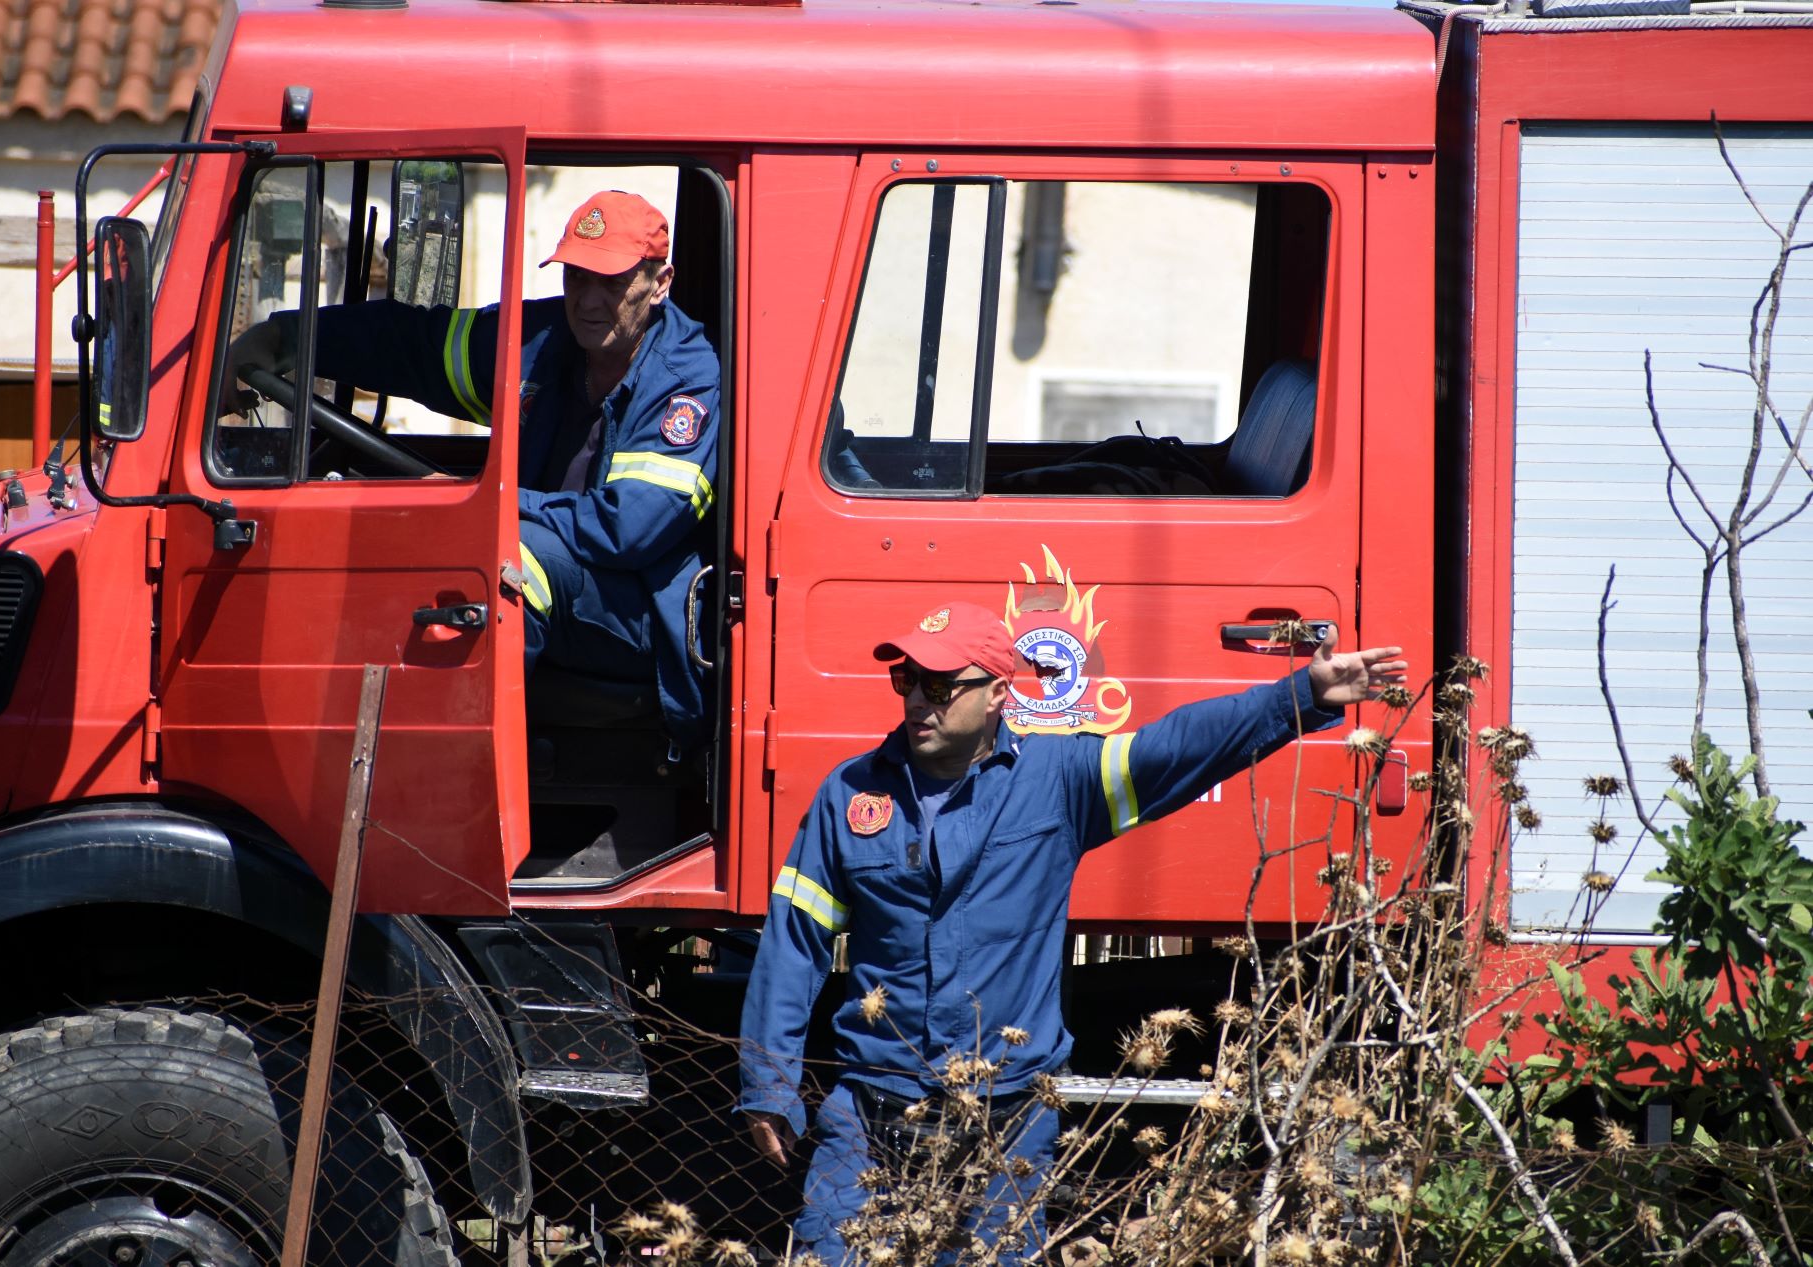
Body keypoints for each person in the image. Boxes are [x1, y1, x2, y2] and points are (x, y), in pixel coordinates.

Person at [738, 602, 1406, 1264]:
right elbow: (793, 943)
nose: (919, 699)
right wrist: (769, 1083)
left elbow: (1178, 745)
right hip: (873, 1109)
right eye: (906, 680)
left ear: (999, 693)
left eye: (940, 685)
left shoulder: (1059, 781)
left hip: (1006, 1120)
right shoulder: (848, 794)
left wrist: (1304, 693)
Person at [222, 190, 720, 748]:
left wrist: (488, 498)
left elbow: (627, 530)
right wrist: (285, 339)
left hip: (638, 613)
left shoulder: (688, 381)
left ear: (660, 283)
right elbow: (417, 345)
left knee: (508, 556)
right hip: (553, 576)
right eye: (576, 278)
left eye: (611, 282)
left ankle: (452, 773)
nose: (587, 301)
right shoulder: (546, 339)